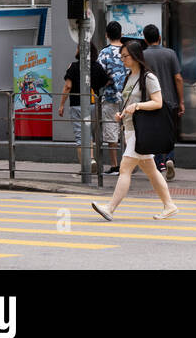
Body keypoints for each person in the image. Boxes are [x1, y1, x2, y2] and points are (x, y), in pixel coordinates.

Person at [91, 41, 178, 221]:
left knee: (124, 169)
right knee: (152, 171)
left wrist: (137, 106)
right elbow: (129, 102)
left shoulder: (148, 77)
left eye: (125, 56)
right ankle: (169, 205)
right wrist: (122, 113)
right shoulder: (129, 76)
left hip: (140, 131)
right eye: (121, 56)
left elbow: (158, 102)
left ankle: (110, 208)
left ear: (136, 56)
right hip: (130, 128)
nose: (122, 59)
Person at [58, 42, 110, 172]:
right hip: (93, 105)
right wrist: (97, 88)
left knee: (81, 137)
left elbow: (68, 86)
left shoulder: (74, 67)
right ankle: (93, 161)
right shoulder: (97, 66)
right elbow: (107, 81)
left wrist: (61, 104)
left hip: (77, 105)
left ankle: (86, 166)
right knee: (91, 134)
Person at [142, 23, 184, 180]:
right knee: (169, 133)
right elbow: (178, 78)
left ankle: (159, 163)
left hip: (151, 101)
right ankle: (170, 158)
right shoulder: (170, 54)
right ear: (159, 37)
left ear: (145, 40)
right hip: (169, 101)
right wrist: (181, 101)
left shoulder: (143, 56)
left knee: (154, 134)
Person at [97, 21, 129, 173]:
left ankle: (115, 166)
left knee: (111, 131)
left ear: (107, 35)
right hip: (128, 98)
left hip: (110, 97)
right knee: (128, 130)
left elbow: (98, 74)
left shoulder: (104, 53)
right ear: (121, 34)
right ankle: (129, 164)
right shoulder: (127, 51)